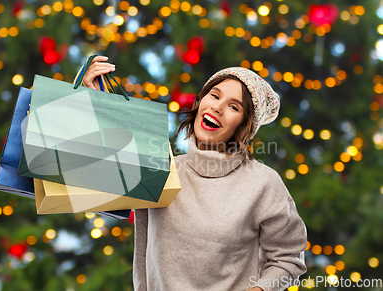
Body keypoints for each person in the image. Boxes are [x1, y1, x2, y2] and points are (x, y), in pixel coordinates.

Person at [81, 56, 308, 291]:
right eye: (215, 95)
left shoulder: (263, 182)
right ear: (199, 102)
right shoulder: (160, 167)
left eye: (233, 107)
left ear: (245, 125)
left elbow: (288, 259)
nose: (217, 107)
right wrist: (95, 103)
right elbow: (99, 179)